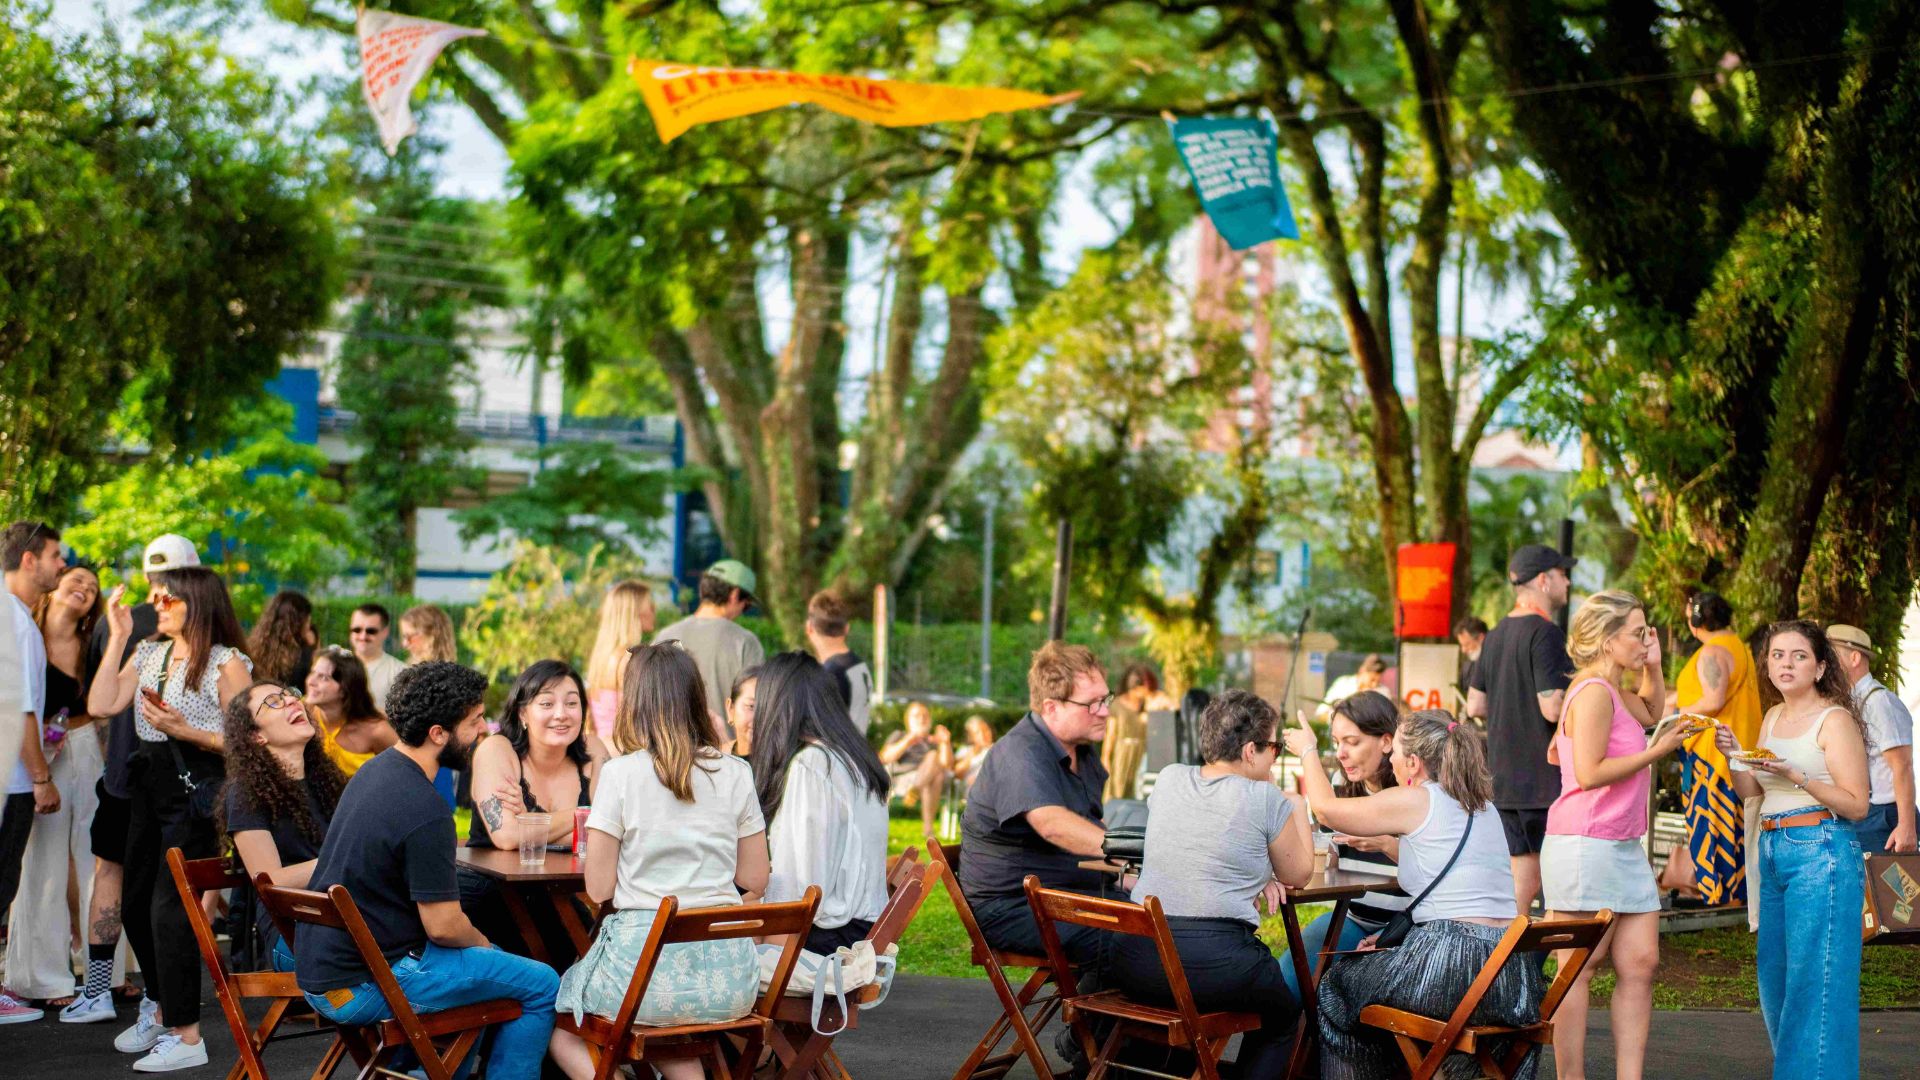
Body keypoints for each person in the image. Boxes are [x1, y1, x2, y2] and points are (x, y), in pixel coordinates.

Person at [295, 662, 558, 1080]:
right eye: (473, 722)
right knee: (540, 982)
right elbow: (444, 926)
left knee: (493, 981)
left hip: (322, 971)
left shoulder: (373, 772)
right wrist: (486, 946)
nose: (483, 732)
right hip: (366, 982)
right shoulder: (425, 807)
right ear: (439, 734)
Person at [549, 644, 767, 1080]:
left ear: (636, 701)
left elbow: (598, 889)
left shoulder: (620, 774)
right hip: (727, 980)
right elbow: (755, 876)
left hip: (643, 975)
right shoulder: (736, 772)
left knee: (563, 1028)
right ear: (695, 698)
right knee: (671, 1038)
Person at [1285, 709, 1540, 1080]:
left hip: (1449, 971)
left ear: (1414, 763)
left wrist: (1309, 750)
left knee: (1334, 988)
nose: (1389, 758)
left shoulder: (1418, 799)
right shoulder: (1483, 807)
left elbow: (1326, 811)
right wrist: (1390, 845)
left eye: (1396, 751)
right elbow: (1449, 874)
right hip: (1508, 977)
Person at [89, 566, 252, 1071]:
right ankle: (161, 1008)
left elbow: (248, 743)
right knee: (136, 906)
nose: (156, 605)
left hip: (195, 792)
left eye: (166, 599)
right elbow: (101, 703)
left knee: (170, 909)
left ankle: (188, 1038)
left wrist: (190, 731)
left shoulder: (227, 662)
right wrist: (117, 637)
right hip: (147, 787)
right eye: (154, 598)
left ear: (196, 602)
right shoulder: (149, 652)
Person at [1120, 690, 1312, 1079]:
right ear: (1249, 751)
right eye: (1273, 747)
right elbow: (1300, 874)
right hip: (1214, 966)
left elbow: (1204, 848)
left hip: (1139, 959)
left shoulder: (1170, 778)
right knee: (1286, 1013)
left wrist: (1258, 875)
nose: (1275, 756)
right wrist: (1297, 806)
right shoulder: (1265, 798)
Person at [1713, 621, 1870, 1080]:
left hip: (1820, 848)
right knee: (1776, 981)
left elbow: (1858, 803)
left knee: (1816, 983)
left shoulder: (1834, 720)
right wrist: (1735, 754)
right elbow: (1751, 792)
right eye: (1777, 655)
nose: (1785, 663)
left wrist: (1797, 774)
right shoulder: (1772, 718)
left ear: (1821, 667)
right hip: (1774, 847)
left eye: (1799, 655)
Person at [1541, 590, 1687, 1080]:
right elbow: (1588, 772)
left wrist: (1655, 664)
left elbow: (1649, 710)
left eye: (1648, 631)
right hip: (1585, 842)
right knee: (1578, 967)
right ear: (1606, 640)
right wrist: (1655, 751)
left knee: (1641, 960)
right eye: (1638, 632)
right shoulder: (1592, 693)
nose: (1646, 639)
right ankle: (1570, 1077)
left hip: (1620, 843)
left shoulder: (1613, 691)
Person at [62, 534, 193, 1027]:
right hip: (149, 779)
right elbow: (100, 704)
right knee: (154, 889)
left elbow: (98, 708)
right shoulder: (145, 626)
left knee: (134, 884)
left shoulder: (134, 622)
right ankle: (152, 997)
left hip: (146, 778)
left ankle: (143, 997)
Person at [959, 641, 1113, 962]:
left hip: (1058, 895)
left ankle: (1100, 1008)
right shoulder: (1020, 752)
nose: (1105, 712)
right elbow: (1053, 825)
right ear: (1051, 707)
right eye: (1093, 703)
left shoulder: (1083, 751)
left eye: (1106, 699)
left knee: (1159, 913)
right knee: (1135, 932)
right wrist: (1133, 851)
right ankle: (1103, 1009)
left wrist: (1129, 869)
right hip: (1011, 908)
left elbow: (1089, 830)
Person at [7, 565, 105, 1009]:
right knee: (41, 864)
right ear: (56, 584)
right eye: (77, 579)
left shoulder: (94, 643)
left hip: (84, 744)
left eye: (92, 587)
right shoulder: (22, 633)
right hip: (35, 753)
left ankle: (104, 969)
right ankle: (42, 980)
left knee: (97, 857)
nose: (84, 588)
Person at [751, 651, 890, 953]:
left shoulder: (813, 765)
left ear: (775, 706)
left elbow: (800, 886)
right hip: (862, 931)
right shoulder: (853, 758)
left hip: (830, 942)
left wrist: (769, 954)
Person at [1467, 543, 1577, 915]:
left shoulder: (1495, 634)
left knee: (1522, 881)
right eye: (1564, 574)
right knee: (1558, 881)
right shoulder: (1545, 634)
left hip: (1504, 780)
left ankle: (1506, 963)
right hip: (1544, 781)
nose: (1568, 581)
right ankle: (1556, 965)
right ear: (1544, 580)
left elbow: (1475, 705)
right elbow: (1552, 707)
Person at [1279, 691, 1410, 1000]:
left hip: (1407, 925)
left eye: (1352, 742)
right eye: (1336, 743)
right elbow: (1325, 843)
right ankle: (1296, 1045)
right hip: (1352, 916)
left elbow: (1435, 872)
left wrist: (1308, 751)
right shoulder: (1340, 783)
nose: (1340, 753)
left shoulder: (1410, 790)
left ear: (1386, 742)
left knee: (1343, 995)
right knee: (1290, 981)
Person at [219, 681, 347, 972]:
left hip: (341, 919)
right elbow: (269, 880)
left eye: (290, 695)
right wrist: (344, 861)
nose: (292, 701)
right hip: (292, 934)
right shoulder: (246, 791)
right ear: (256, 736)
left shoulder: (327, 782)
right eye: (274, 701)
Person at [0, 521, 66, 1025]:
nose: (61, 565)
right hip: (14, 779)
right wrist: (41, 778)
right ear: (29, 560)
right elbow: (19, 708)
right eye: (55, 556)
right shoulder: (15, 622)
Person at [1670, 591, 1764, 906]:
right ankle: (1735, 895)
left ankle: (1717, 895)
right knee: (1735, 827)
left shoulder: (1712, 652)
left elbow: (1713, 700)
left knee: (1712, 824)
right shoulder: (1741, 648)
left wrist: (1677, 711)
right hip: (1737, 750)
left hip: (1711, 756)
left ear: (1696, 620)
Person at [467, 660, 605, 852]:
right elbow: (508, 836)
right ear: (522, 713)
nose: (561, 714)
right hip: (493, 880)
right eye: (547, 704)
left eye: (572, 703)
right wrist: (586, 815)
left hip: (575, 880)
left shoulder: (593, 749)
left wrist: (530, 824)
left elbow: (611, 832)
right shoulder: (496, 750)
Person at [1827, 624, 1916, 853]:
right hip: (1865, 815)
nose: (1825, 664)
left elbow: (1902, 766)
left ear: (1854, 658)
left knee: (1891, 889)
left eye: (1831, 656)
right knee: (1867, 888)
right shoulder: (1851, 701)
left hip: (1886, 817)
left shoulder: (1880, 701)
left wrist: (1906, 826)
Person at [655, 559, 764, 734]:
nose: (744, 609)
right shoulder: (745, 642)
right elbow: (757, 705)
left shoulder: (664, 637)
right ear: (735, 595)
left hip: (668, 753)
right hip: (724, 754)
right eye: (747, 604)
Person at [303, 647, 396, 778]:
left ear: (345, 688)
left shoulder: (377, 731)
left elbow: (411, 767)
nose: (311, 682)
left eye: (323, 677)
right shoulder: (303, 712)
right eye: (313, 673)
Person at [583, 580, 656, 742]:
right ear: (635, 613)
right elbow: (637, 717)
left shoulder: (604, 656)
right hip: (624, 748)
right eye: (650, 606)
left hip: (604, 745)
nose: (654, 611)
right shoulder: (628, 659)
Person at [805, 590, 873, 735]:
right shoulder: (861, 667)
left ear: (809, 628)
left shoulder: (826, 675)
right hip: (857, 754)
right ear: (847, 628)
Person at [879, 702, 950, 837]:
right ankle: (928, 830)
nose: (922, 719)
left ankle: (916, 789)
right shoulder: (899, 735)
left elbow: (947, 765)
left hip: (927, 781)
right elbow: (884, 758)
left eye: (925, 715)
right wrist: (910, 739)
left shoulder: (934, 741)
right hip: (903, 779)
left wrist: (945, 743)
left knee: (936, 768)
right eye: (917, 715)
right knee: (936, 772)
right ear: (908, 720)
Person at [1102, 663, 1157, 801]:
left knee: (1137, 793)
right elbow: (1111, 735)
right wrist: (1106, 759)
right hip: (1123, 753)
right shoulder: (1117, 705)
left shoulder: (1148, 704)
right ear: (1135, 686)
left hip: (1141, 754)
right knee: (1117, 790)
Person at [247, 590, 316, 688]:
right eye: (308, 620)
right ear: (298, 623)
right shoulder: (302, 657)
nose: (309, 626)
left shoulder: (253, 649)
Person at [345, 604, 406, 710]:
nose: (363, 636)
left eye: (371, 631)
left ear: (385, 632)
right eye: (357, 630)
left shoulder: (399, 671)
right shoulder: (336, 664)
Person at [950, 714, 997, 790]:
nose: (983, 735)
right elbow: (957, 774)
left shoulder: (999, 748)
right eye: (977, 733)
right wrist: (971, 755)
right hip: (971, 788)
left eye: (986, 730)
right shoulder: (965, 750)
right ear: (970, 737)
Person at [1454, 616, 1489, 709]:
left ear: (1481, 638)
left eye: (1467, 644)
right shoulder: (1467, 667)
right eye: (1462, 645)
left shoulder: (1499, 665)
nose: (1463, 650)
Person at [726, 667, 761, 756]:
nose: (759, 717)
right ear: (730, 709)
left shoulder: (785, 766)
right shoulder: (716, 760)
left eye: (767, 707)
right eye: (751, 706)